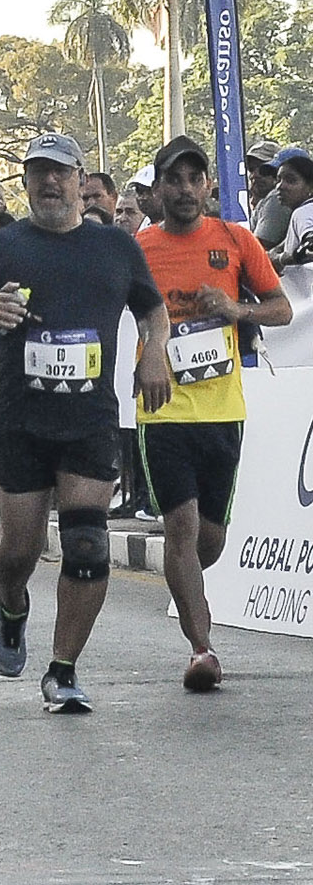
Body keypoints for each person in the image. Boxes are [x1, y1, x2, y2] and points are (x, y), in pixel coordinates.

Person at [0, 134, 170, 712]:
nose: (50, 182)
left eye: (61, 172)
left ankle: (63, 670)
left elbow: (153, 309)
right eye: (39, 172)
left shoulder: (114, 247)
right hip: (20, 419)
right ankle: (12, 605)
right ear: (25, 182)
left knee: (88, 544)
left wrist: (153, 351)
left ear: (80, 179)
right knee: (17, 552)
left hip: (90, 419)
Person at [135, 135, 292, 691]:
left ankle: (185, 582)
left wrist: (234, 308)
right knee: (180, 528)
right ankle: (202, 648)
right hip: (162, 409)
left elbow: (281, 309)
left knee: (210, 540)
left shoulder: (235, 239)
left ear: (207, 186)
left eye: (193, 179)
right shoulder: (139, 248)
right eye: (173, 180)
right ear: (158, 189)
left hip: (222, 408)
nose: (184, 189)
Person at [270, 147, 313, 266]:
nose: (280, 186)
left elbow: (310, 248)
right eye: (278, 179)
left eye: (291, 180)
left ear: (310, 187)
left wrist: (281, 259)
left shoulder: (303, 212)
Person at [247, 139, 287, 249]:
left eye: (263, 169)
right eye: (251, 169)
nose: (254, 175)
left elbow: (259, 247)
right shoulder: (264, 200)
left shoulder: (276, 198)